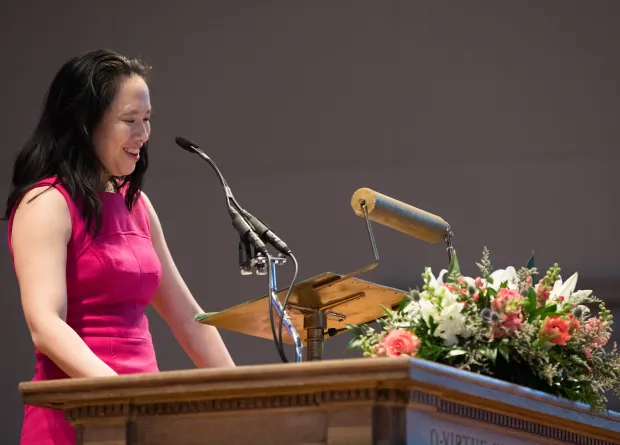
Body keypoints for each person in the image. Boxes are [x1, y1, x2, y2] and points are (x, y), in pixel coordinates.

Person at [4, 49, 235, 445]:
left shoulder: (137, 204)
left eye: (146, 120)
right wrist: (121, 397)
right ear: (85, 124)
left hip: (141, 412)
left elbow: (187, 316)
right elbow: (45, 325)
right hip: (78, 415)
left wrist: (243, 395)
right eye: (129, 121)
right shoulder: (46, 203)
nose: (143, 135)